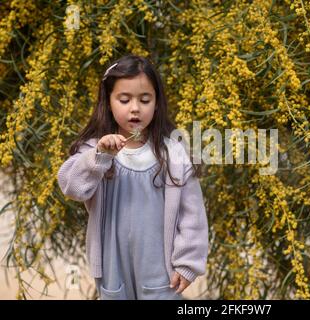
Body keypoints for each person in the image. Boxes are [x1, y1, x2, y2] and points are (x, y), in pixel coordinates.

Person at [57, 54, 208, 300]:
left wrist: (187, 262)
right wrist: (99, 157)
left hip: (160, 268)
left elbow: (192, 214)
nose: (135, 108)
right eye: (124, 99)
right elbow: (72, 187)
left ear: (157, 103)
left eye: (145, 99)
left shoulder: (173, 153)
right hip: (112, 265)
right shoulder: (94, 149)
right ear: (108, 101)